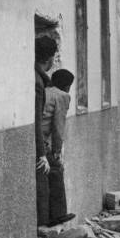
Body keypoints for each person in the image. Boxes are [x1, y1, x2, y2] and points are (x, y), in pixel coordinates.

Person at [41, 69, 75, 226]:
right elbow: (58, 127)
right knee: (56, 169)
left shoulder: (45, 90)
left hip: (38, 137)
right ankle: (58, 214)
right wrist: (57, 151)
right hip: (42, 140)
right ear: (67, 86)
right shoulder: (62, 96)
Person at [35, 36, 57, 227]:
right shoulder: (38, 82)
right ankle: (42, 229)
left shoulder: (35, 77)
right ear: (50, 59)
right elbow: (36, 119)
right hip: (37, 142)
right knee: (42, 182)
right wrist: (41, 154)